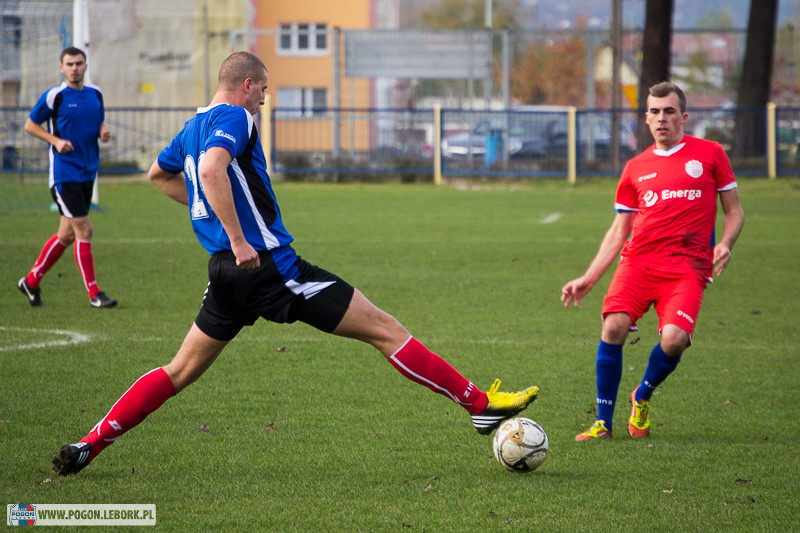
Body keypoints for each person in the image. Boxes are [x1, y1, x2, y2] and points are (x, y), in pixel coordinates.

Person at [52, 51, 538, 475]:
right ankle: (477, 404)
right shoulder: (237, 117)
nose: (264, 99)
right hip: (270, 268)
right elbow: (211, 170)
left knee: (178, 371)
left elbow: (159, 175)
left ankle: (88, 444)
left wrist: (218, 222)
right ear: (246, 85)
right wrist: (239, 238)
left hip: (225, 274)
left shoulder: (190, 127)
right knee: (385, 329)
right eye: (263, 89)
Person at [561, 82, 744, 441]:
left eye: (669, 111)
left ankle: (641, 395)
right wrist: (588, 278)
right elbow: (619, 230)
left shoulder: (710, 154)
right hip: (638, 264)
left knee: (675, 340)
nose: (662, 118)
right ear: (646, 118)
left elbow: (734, 211)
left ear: (683, 116)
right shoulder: (635, 167)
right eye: (655, 112)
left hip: (688, 268)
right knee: (613, 326)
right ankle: (603, 423)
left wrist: (725, 243)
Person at [18, 46, 117, 308]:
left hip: (88, 172)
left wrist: (103, 132)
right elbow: (30, 125)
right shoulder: (54, 96)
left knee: (66, 234)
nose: (74, 68)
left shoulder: (96, 94)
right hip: (64, 174)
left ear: (85, 66)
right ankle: (94, 293)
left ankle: (31, 281)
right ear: (62, 68)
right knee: (84, 229)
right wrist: (55, 141)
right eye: (69, 64)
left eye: (79, 63)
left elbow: (97, 123)